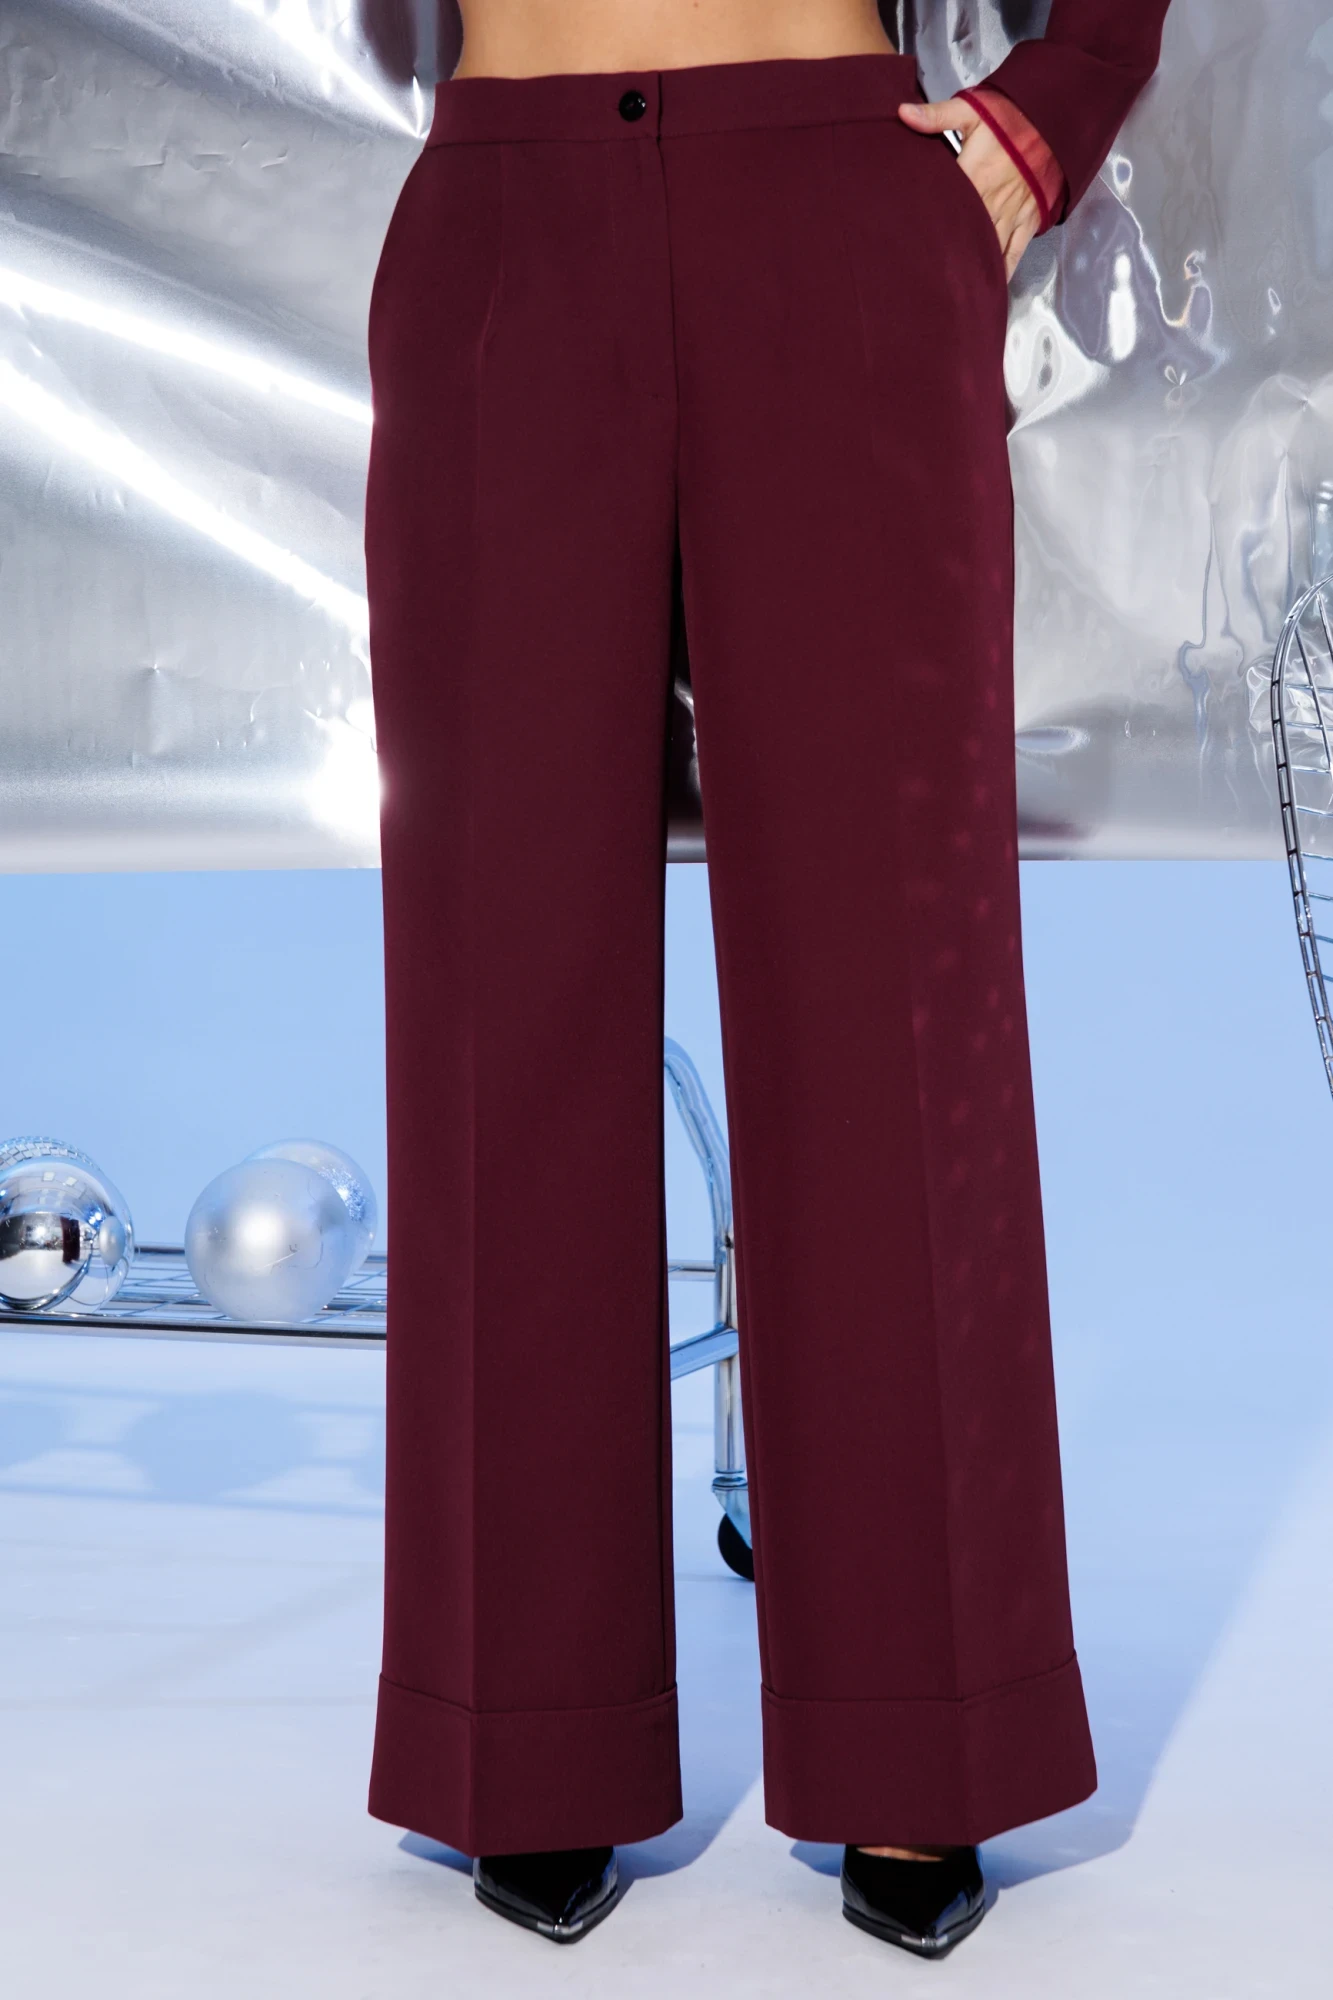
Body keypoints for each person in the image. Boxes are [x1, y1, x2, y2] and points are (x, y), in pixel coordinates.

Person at [361, 0, 1170, 1960]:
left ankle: (924, 1720)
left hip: (834, 210)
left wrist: (1060, 99)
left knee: (891, 988)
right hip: (507, 214)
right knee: (496, 991)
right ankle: (523, 1727)